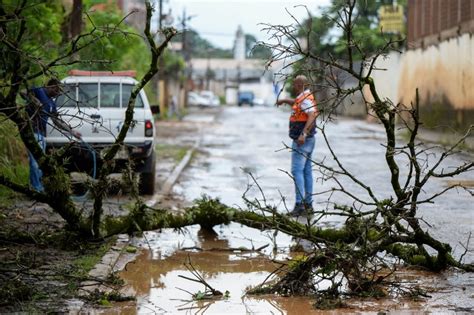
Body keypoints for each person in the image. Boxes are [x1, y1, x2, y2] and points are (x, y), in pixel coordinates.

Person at [25, 78, 81, 192]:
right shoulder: (39, 91)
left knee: (41, 162)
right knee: (35, 162)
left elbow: (57, 121)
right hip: (31, 131)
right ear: (52, 86)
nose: (58, 93)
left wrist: (72, 132)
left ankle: (37, 186)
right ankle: (36, 189)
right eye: (57, 90)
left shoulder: (51, 103)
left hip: (41, 134)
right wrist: (35, 100)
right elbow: (24, 92)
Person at [276, 75, 319, 216]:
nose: (293, 86)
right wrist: (284, 100)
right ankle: (308, 204)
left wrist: (303, 134)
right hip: (309, 140)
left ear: (300, 84)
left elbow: (312, 114)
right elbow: (298, 103)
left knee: (297, 171)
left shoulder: (306, 99)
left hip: (302, 141)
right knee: (306, 171)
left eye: (295, 84)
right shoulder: (304, 97)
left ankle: (299, 205)